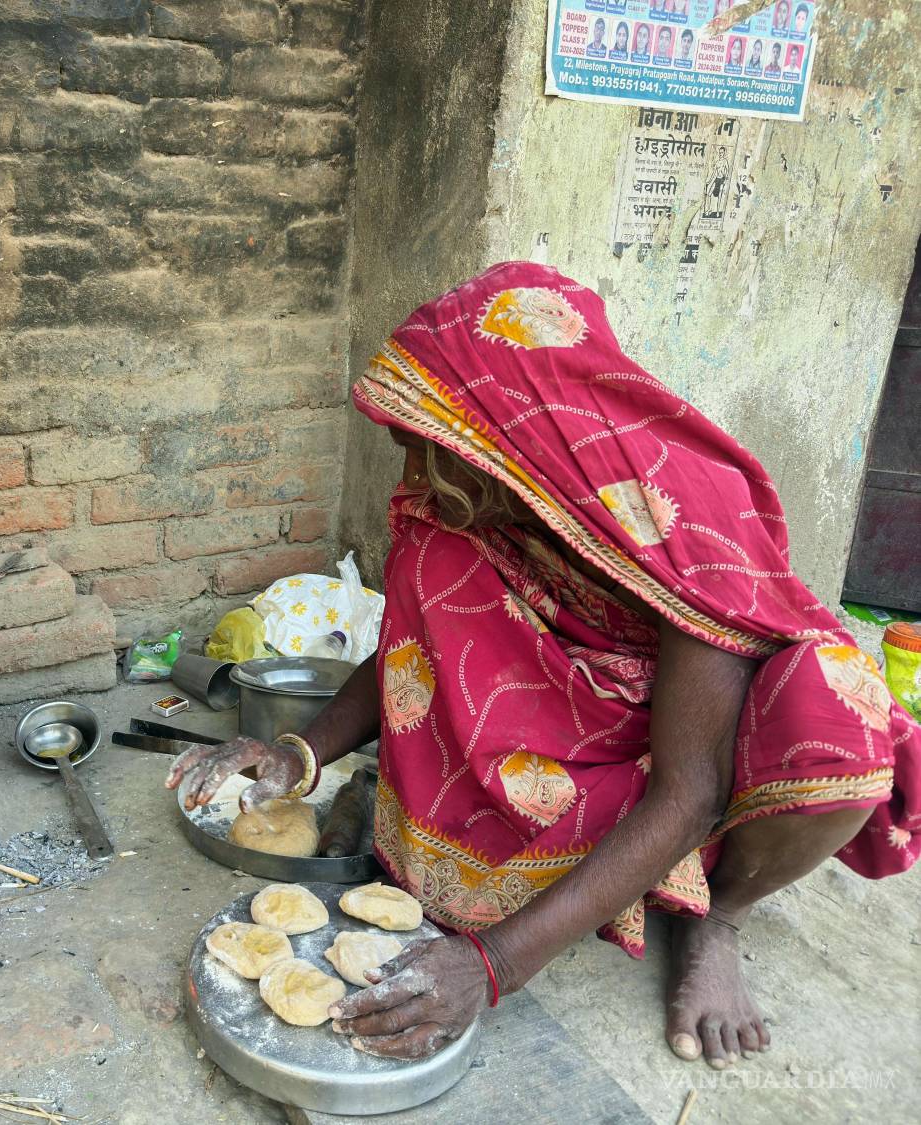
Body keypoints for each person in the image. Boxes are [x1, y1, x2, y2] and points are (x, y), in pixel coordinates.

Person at [167, 263, 920, 1069]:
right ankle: (527, 850)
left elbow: (689, 792)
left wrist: (491, 964)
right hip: (578, 721)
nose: (415, 476)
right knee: (433, 550)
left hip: (709, 746)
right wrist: (300, 752)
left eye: (426, 451)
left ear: (502, 434)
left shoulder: (679, 512)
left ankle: (718, 916)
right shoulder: (481, 505)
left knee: (838, 719)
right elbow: (407, 652)